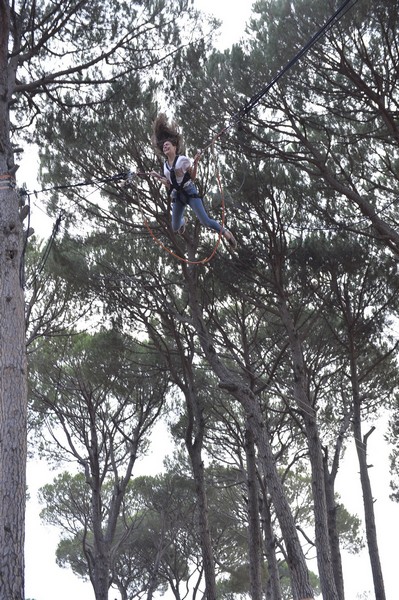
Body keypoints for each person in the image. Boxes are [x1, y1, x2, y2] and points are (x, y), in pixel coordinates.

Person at [148, 113, 237, 249]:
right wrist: (158, 177)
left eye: (167, 145)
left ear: (174, 147)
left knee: (205, 221)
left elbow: (193, 177)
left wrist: (195, 163)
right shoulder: (165, 167)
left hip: (189, 192)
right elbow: (169, 184)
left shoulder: (183, 160)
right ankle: (184, 221)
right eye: (164, 146)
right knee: (175, 226)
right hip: (177, 196)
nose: (165, 147)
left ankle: (225, 232)